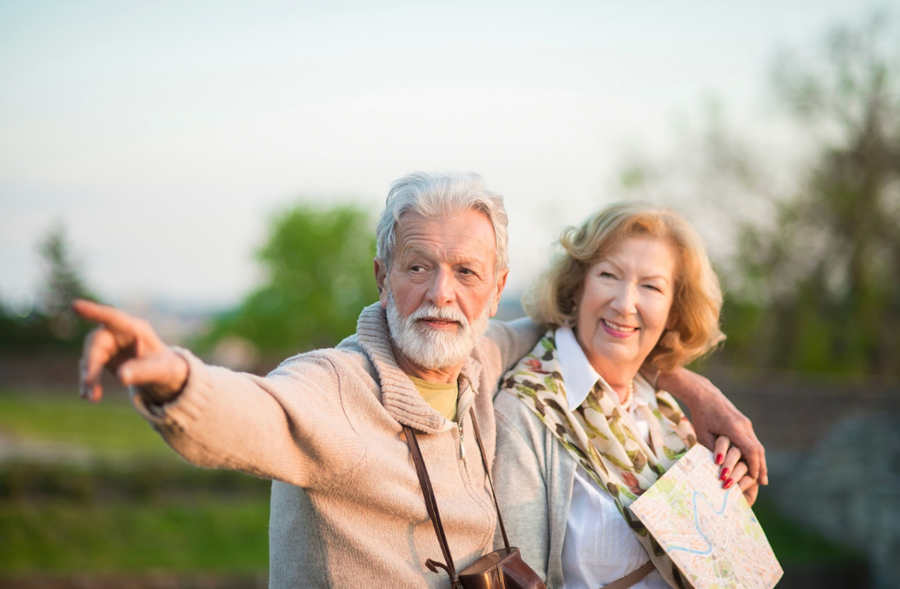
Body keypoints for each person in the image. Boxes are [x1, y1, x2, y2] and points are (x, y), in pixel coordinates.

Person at [74, 173, 765, 589]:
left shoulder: (486, 354)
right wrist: (172, 378)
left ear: (495, 291)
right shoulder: (337, 384)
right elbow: (254, 411)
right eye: (416, 266)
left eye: (466, 272)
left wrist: (693, 389)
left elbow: (592, 339)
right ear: (383, 277)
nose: (441, 294)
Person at [493, 202, 760, 589]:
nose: (625, 303)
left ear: (673, 310)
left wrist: (729, 512)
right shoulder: (525, 413)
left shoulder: (667, 414)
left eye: (651, 286)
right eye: (609, 275)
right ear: (577, 287)